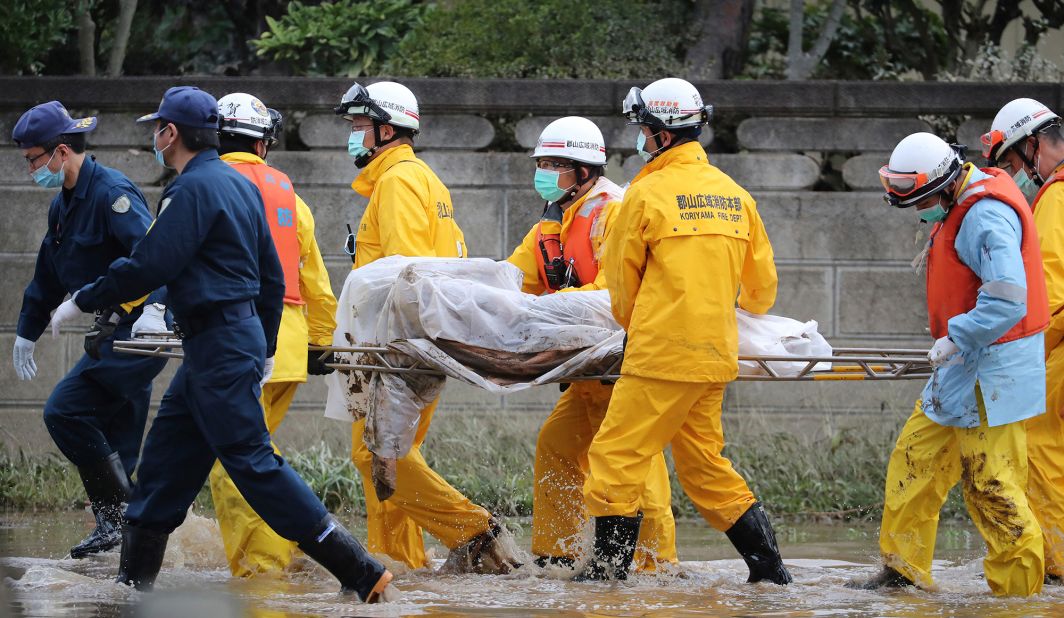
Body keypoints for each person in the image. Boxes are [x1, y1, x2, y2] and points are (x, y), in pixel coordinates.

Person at [47, 86, 393, 601]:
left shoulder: (189, 191)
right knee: (163, 466)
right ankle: (130, 589)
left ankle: (360, 571)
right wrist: (267, 340)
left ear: (172, 133)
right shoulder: (237, 185)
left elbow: (150, 263)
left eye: (157, 129)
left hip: (219, 346)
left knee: (252, 462)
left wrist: (84, 298)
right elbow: (273, 276)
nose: (154, 138)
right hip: (223, 343)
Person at [577, 77, 789, 584]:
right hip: (715, 356)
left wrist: (646, 326)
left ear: (663, 136)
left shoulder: (644, 195)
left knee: (614, 460)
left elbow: (621, 291)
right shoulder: (737, 197)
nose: (640, 139)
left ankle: (606, 580)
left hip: (661, 355)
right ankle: (770, 571)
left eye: (644, 129)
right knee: (704, 467)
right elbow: (762, 292)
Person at [852, 132, 1048, 597]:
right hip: (961, 365)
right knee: (914, 459)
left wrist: (954, 337)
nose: (921, 211)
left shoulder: (986, 216)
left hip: (993, 371)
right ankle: (903, 571)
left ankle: (1019, 595)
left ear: (943, 182)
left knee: (991, 484)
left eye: (922, 200)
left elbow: (1008, 300)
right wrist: (954, 345)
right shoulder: (959, 197)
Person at [336, 80, 518, 573]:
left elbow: (405, 270)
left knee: (374, 452)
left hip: (395, 343)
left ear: (386, 129)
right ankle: (400, 564)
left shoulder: (398, 183)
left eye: (358, 126)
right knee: (392, 453)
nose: (353, 136)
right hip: (416, 340)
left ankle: (474, 529)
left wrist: (390, 351)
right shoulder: (425, 181)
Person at [505, 116, 677, 572]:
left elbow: (610, 293)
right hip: (587, 371)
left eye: (554, 164)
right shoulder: (554, 222)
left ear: (584, 171)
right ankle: (559, 555)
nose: (543, 173)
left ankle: (655, 568)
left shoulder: (614, 211)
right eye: (540, 163)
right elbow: (512, 280)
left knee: (640, 467)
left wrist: (549, 308)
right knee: (557, 445)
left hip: (625, 366)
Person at [11, 101, 168, 559]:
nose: (30, 170)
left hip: (141, 331)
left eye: (33, 159)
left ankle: (116, 520)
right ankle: (135, 545)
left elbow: (155, 256)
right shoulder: (62, 206)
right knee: (121, 442)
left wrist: (156, 310)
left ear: (61, 152)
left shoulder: (111, 194)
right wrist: (28, 329)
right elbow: (47, 274)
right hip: (114, 331)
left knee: (66, 410)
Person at [206, 92, 339, 577]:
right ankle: (298, 545)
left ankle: (265, 573)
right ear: (262, 144)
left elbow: (163, 253)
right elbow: (316, 280)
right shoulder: (289, 195)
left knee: (236, 464)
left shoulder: (204, 185)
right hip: (286, 347)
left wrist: (125, 307)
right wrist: (322, 343)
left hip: (240, 343)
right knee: (260, 452)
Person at [983, 98, 1064, 584]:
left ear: (1033, 145)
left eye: (1012, 163)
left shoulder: (1056, 195)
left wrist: (1026, 346)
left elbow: (1052, 288)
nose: (1015, 175)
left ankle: (1056, 562)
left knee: (1040, 440)